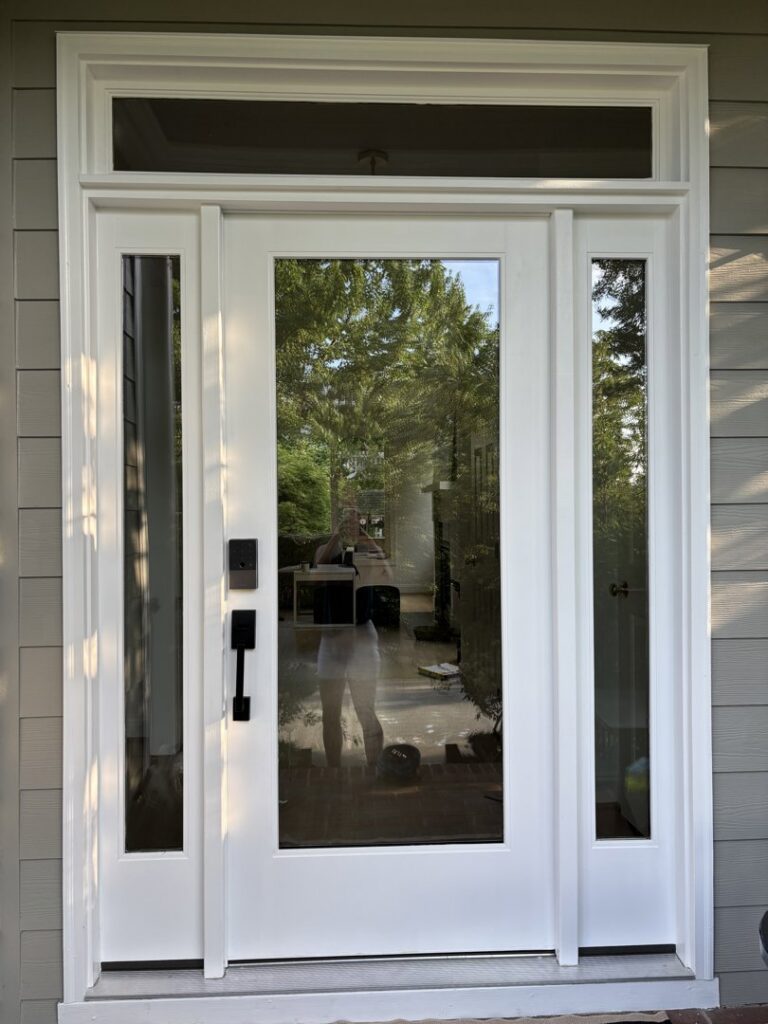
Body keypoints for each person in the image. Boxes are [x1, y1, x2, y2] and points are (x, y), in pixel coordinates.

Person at [314, 506, 385, 767]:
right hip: (332, 637)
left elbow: (386, 570)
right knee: (330, 713)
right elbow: (318, 569)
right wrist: (337, 535)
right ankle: (334, 771)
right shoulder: (326, 549)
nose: (349, 523)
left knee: (365, 709)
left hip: (361, 635)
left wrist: (364, 536)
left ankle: (374, 768)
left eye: (355, 519)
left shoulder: (366, 550)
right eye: (345, 519)